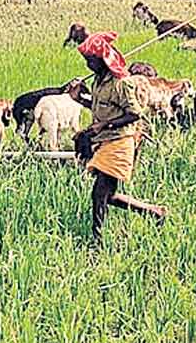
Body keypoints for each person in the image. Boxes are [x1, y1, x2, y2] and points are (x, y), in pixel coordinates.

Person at [68, 31, 167, 242]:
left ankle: (97, 239)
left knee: (99, 194)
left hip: (120, 142)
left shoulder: (122, 83)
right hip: (105, 141)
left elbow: (134, 114)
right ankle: (155, 212)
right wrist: (79, 98)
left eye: (91, 60)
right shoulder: (99, 81)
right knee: (107, 195)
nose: (88, 65)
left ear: (102, 59)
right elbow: (101, 107)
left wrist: (104, 125)